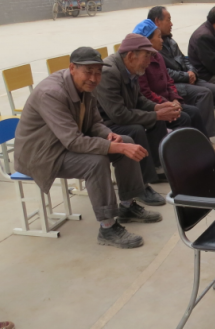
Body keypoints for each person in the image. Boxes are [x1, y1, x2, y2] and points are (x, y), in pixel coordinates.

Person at [14, 47, 162, 248]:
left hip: (63, 144)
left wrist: (107, 134)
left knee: (125, 141)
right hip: (42, 154)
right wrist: (114, 147)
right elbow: (74, 141)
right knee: (96, 162)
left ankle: (127, 206)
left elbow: (94, 123)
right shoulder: (51, 93)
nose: (93, 78)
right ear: (72, 68)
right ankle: (108, 228)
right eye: (88, 72)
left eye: (98, 72)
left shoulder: (85, 87)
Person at [95, 34, 182, 206]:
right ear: (130, 56)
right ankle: (140, 185)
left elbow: (139, 99)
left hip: (118, 117)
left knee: (156, 121)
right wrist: (156, 114)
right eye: (146, 56)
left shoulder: (130, 68)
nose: (149, 61)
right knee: (135, 130)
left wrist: (157, 108)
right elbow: (118, 115)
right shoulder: (109, 73)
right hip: (102, 124)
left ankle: (155, 168)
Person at [148, 6, 215, 140]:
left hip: (187, 77)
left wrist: (191, 71)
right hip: (176, 83)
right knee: (204, 94)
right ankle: (204, 137)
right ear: (157, 21)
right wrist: (186, 76)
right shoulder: (153, 46)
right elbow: (164, 73)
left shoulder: (170, 41)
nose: (171, 24)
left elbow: (184, 59)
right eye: (168, 20)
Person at [132, 19, 215, 154]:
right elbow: (146, 93)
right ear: (148, 41)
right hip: (156, 105)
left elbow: (169, 82)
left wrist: (175, 99)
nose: (162, 40)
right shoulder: (142, 63)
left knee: (194, 112)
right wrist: (167, 104)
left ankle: (203, 145)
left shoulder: (158, 56)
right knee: (183, 117)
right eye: (158, 37)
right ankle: (186, 154)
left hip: (168, 101)